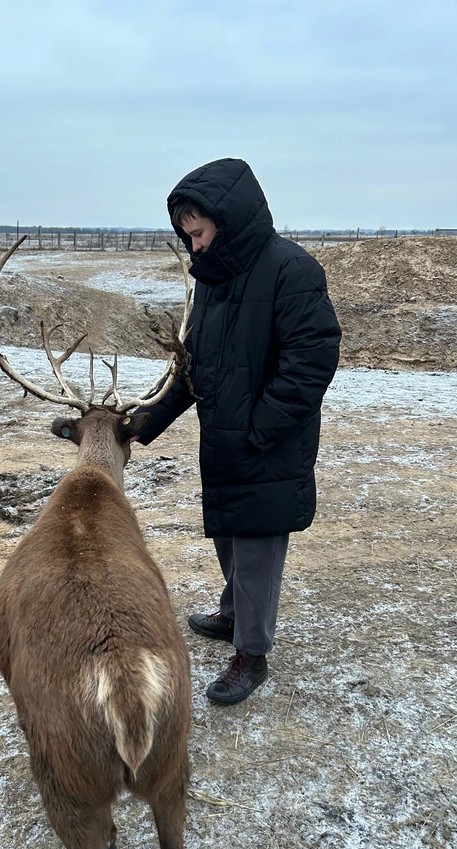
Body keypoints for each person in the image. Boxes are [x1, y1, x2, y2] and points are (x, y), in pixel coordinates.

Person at [135, 158, 341, 705]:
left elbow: (311, 363)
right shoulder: (215, 282)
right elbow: (195, 366)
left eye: (198, 233)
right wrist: (145, 421)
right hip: (227, 443)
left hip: (268, 447)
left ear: (229, 219)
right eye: (187, 237)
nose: (194, 247)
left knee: (256, 552)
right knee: (230, 539)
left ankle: (252, 655)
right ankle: (233, 617)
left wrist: (257, 429)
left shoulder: (292, 270)